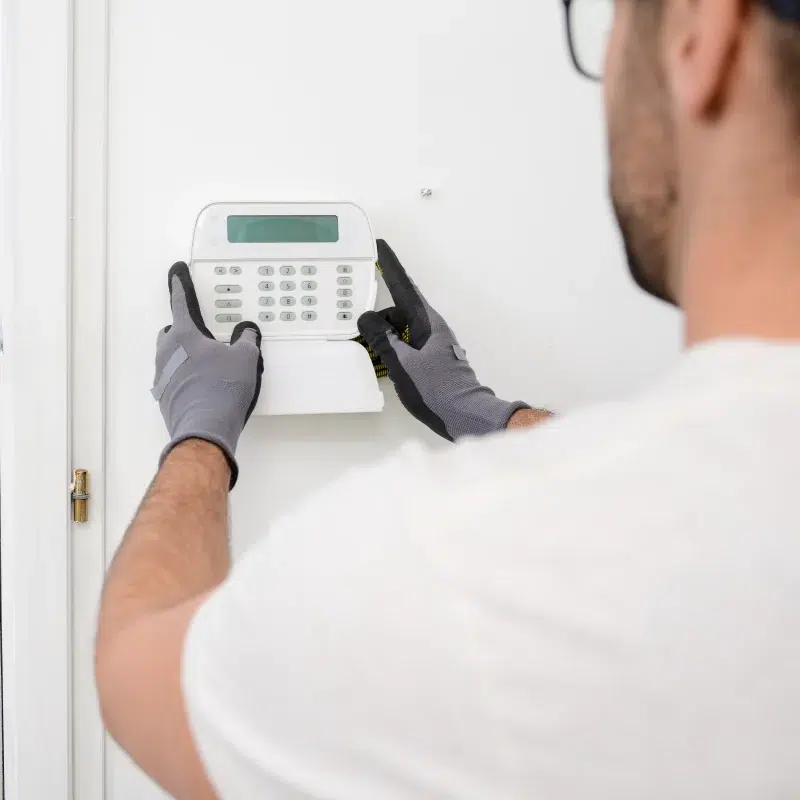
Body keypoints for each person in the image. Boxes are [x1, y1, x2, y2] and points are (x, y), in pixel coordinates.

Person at [95, 0, 800, 796]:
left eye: (610, 23)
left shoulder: (447, 560)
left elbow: (136, 674)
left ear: (704, 36)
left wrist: (199, 438)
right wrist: (493, 418)